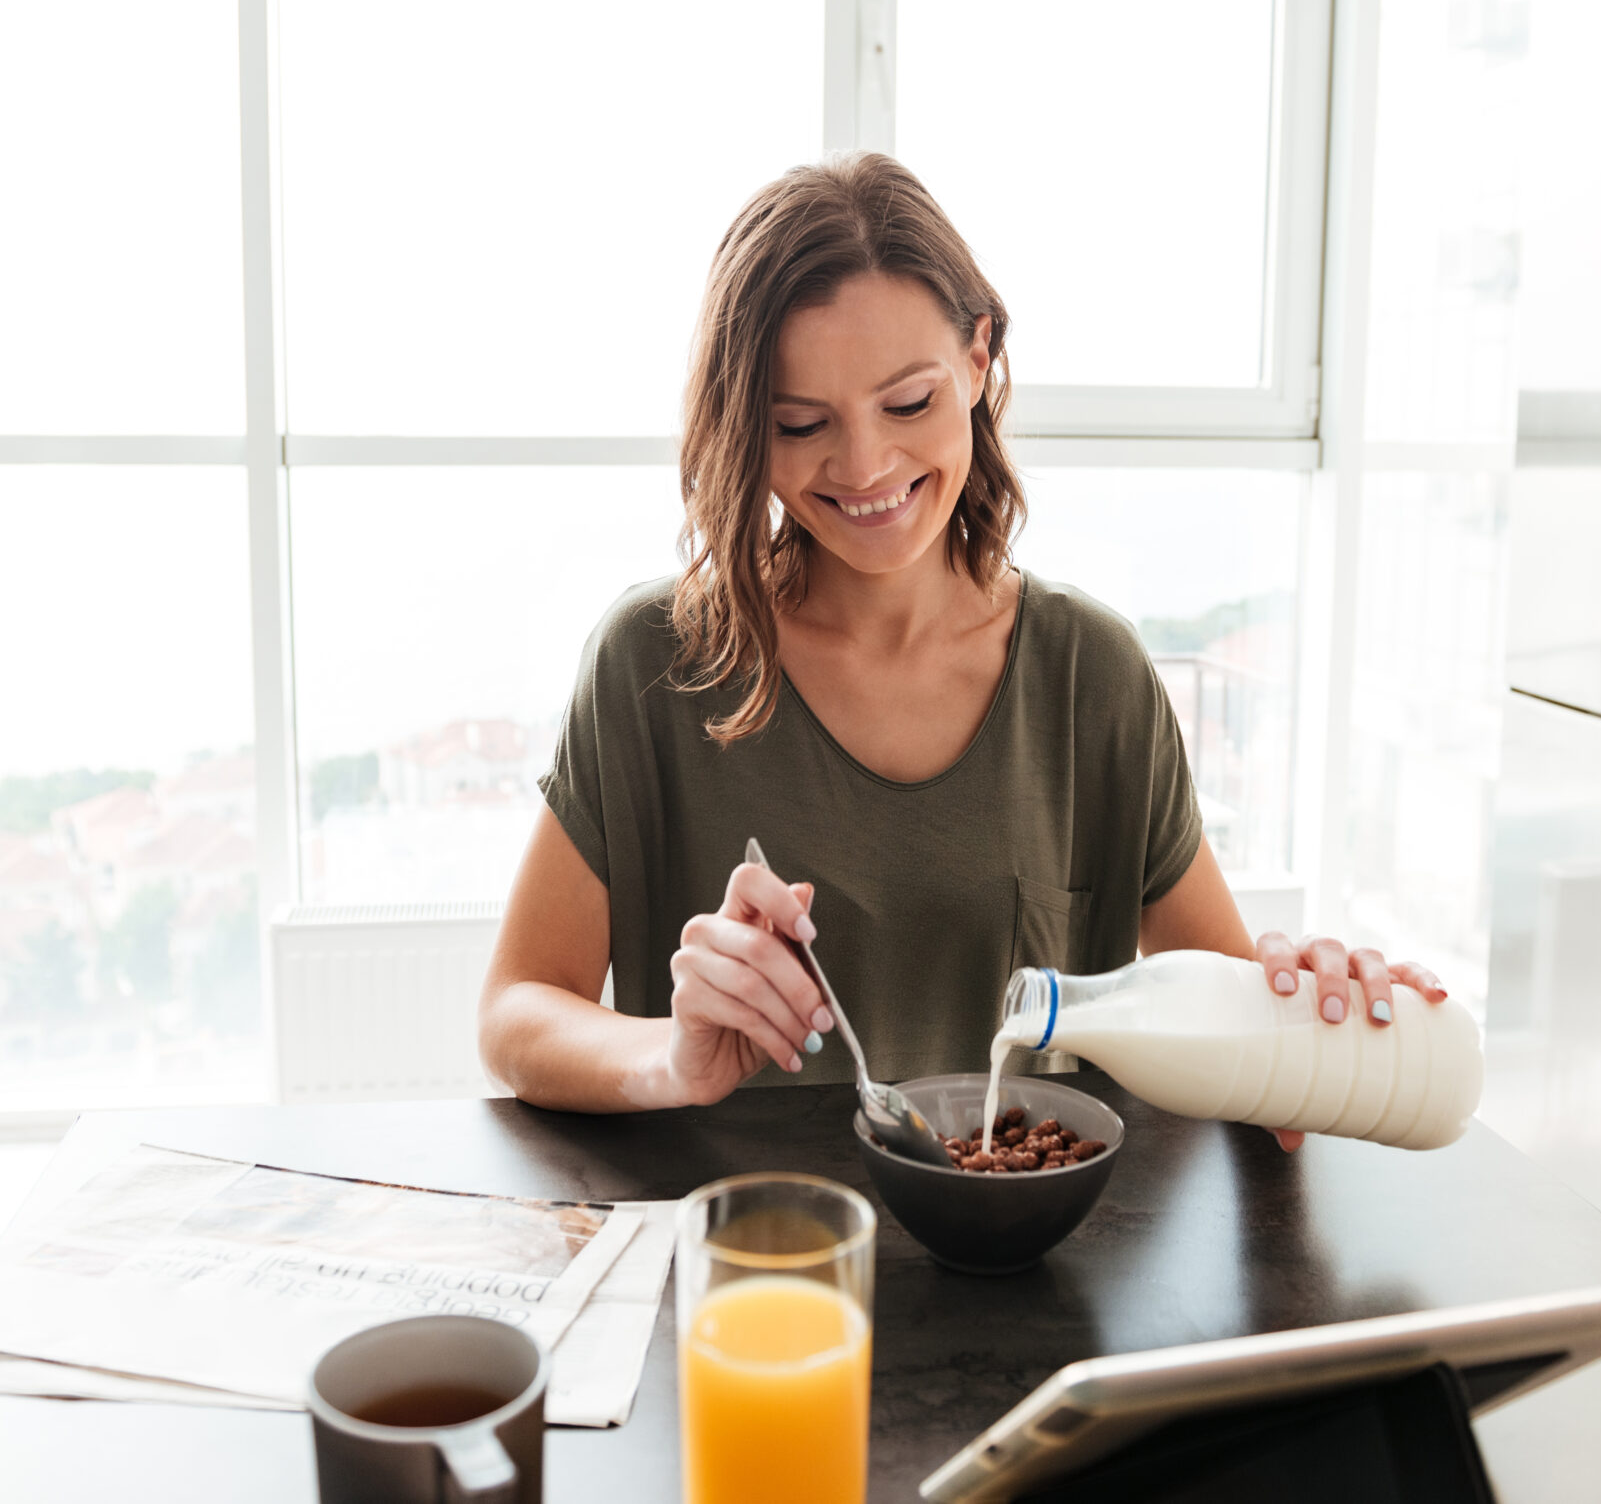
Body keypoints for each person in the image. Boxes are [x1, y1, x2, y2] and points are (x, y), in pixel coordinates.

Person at [477, 153, 1446, 1149]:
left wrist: (1331, 1022)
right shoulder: (656, 664)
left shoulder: (1091, 679)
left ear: (979, 359)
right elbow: (514, 1011)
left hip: (1033, 1283)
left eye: (908, 405)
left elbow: (1260, 1088)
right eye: (801, 423)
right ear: (745, 429)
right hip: (747, 1270)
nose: (864, 467)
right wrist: (664, 1060)